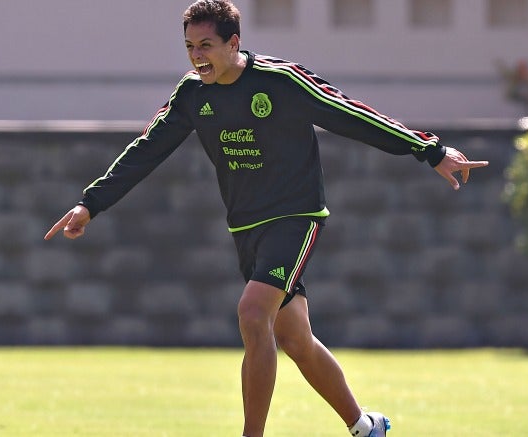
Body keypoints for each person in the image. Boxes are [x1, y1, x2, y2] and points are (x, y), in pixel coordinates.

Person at [45, 1, 488, 435]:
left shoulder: (282, 81)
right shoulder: (191, 95)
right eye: (189, 47)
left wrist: (430, 150)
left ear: (233, 42)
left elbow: (352, 114)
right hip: (246, 229)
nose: (197, 56)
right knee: (295, 339)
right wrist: (90, 204)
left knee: (253, 314)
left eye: (206, 45)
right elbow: (147, 150)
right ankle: (366, 426)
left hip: (296, 218)